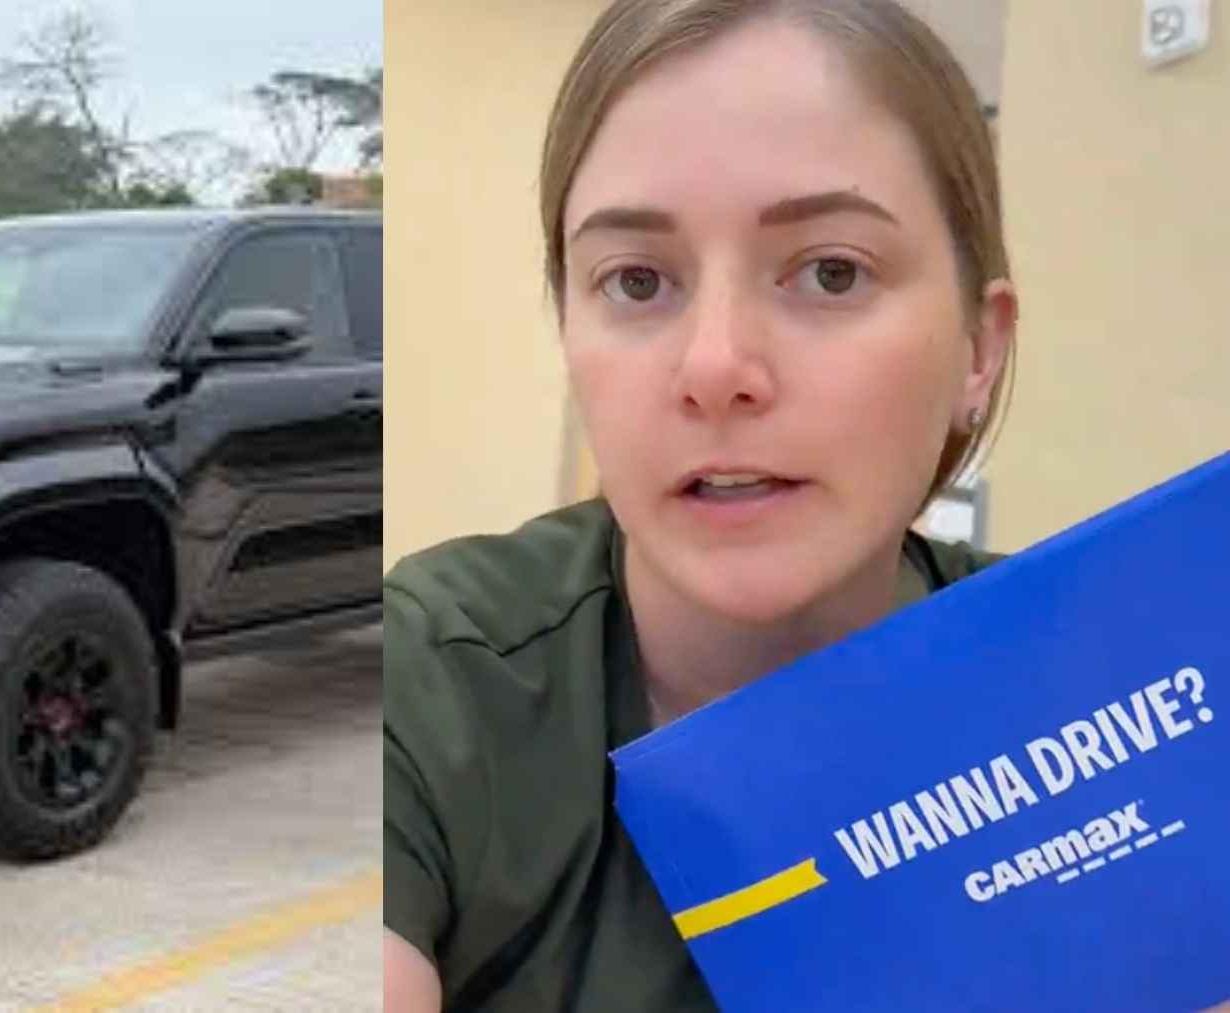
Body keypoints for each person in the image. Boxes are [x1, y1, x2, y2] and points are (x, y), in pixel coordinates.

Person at [382, 1, 1021, 1009]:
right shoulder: (434, 680)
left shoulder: (1107, 686)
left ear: (978, 351)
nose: (716, 366)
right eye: (636, 280)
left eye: (831, 270)